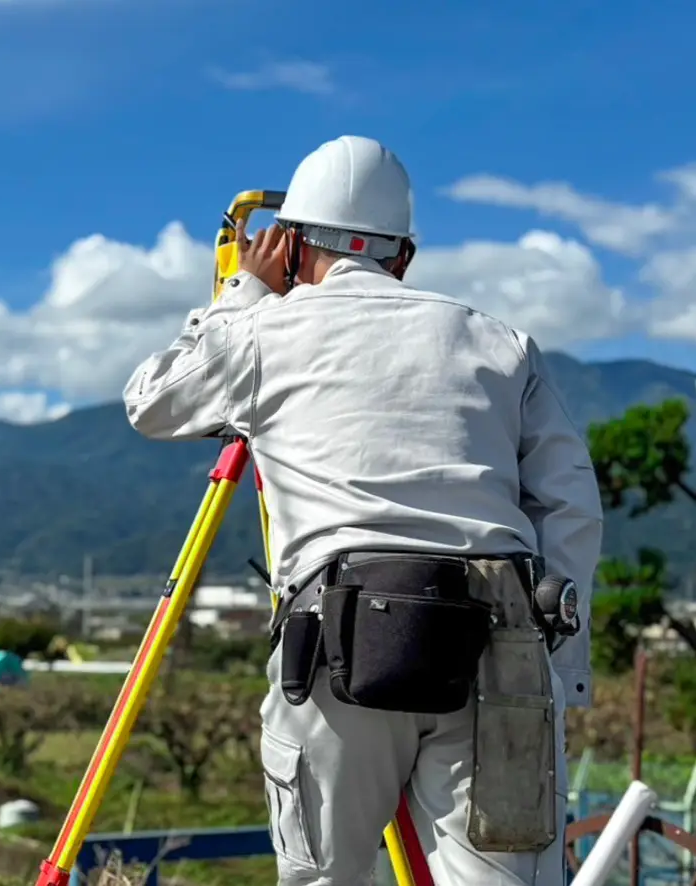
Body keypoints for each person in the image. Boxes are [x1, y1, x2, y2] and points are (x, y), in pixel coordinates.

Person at [121, 135, 602, 886]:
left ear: (288, 251)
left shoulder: (263, 330)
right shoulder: (504, 343)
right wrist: (559, 672)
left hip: (338, 637)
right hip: (502, 642)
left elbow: (152, 400)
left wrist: (241, 297)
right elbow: (570, 505)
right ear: (403, 255)